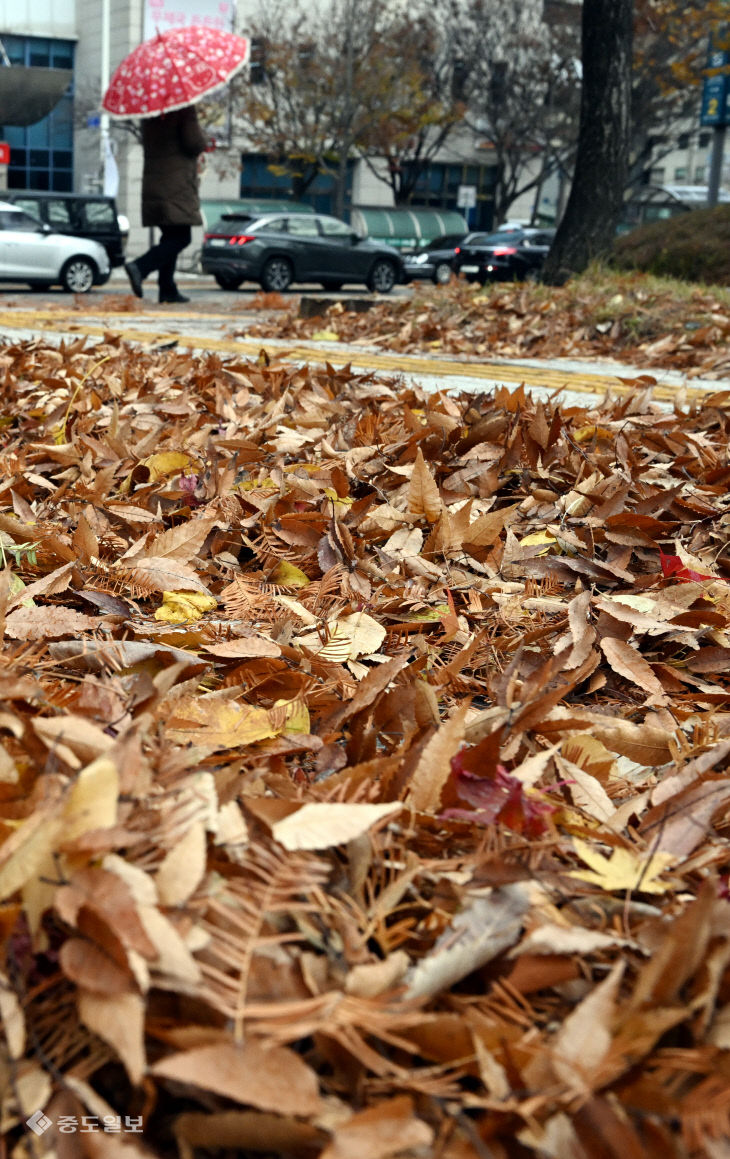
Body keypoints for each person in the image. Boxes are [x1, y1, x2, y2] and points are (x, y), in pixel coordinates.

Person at [124, 104, 207, 304]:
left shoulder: (150, 113)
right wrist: (203, 140)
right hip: (176, 185)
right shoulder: (184, 109)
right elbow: (193, 143)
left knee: (170, 236)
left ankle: (167, 288)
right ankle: (140, 267)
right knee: (181, 238)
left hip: (156, 183)